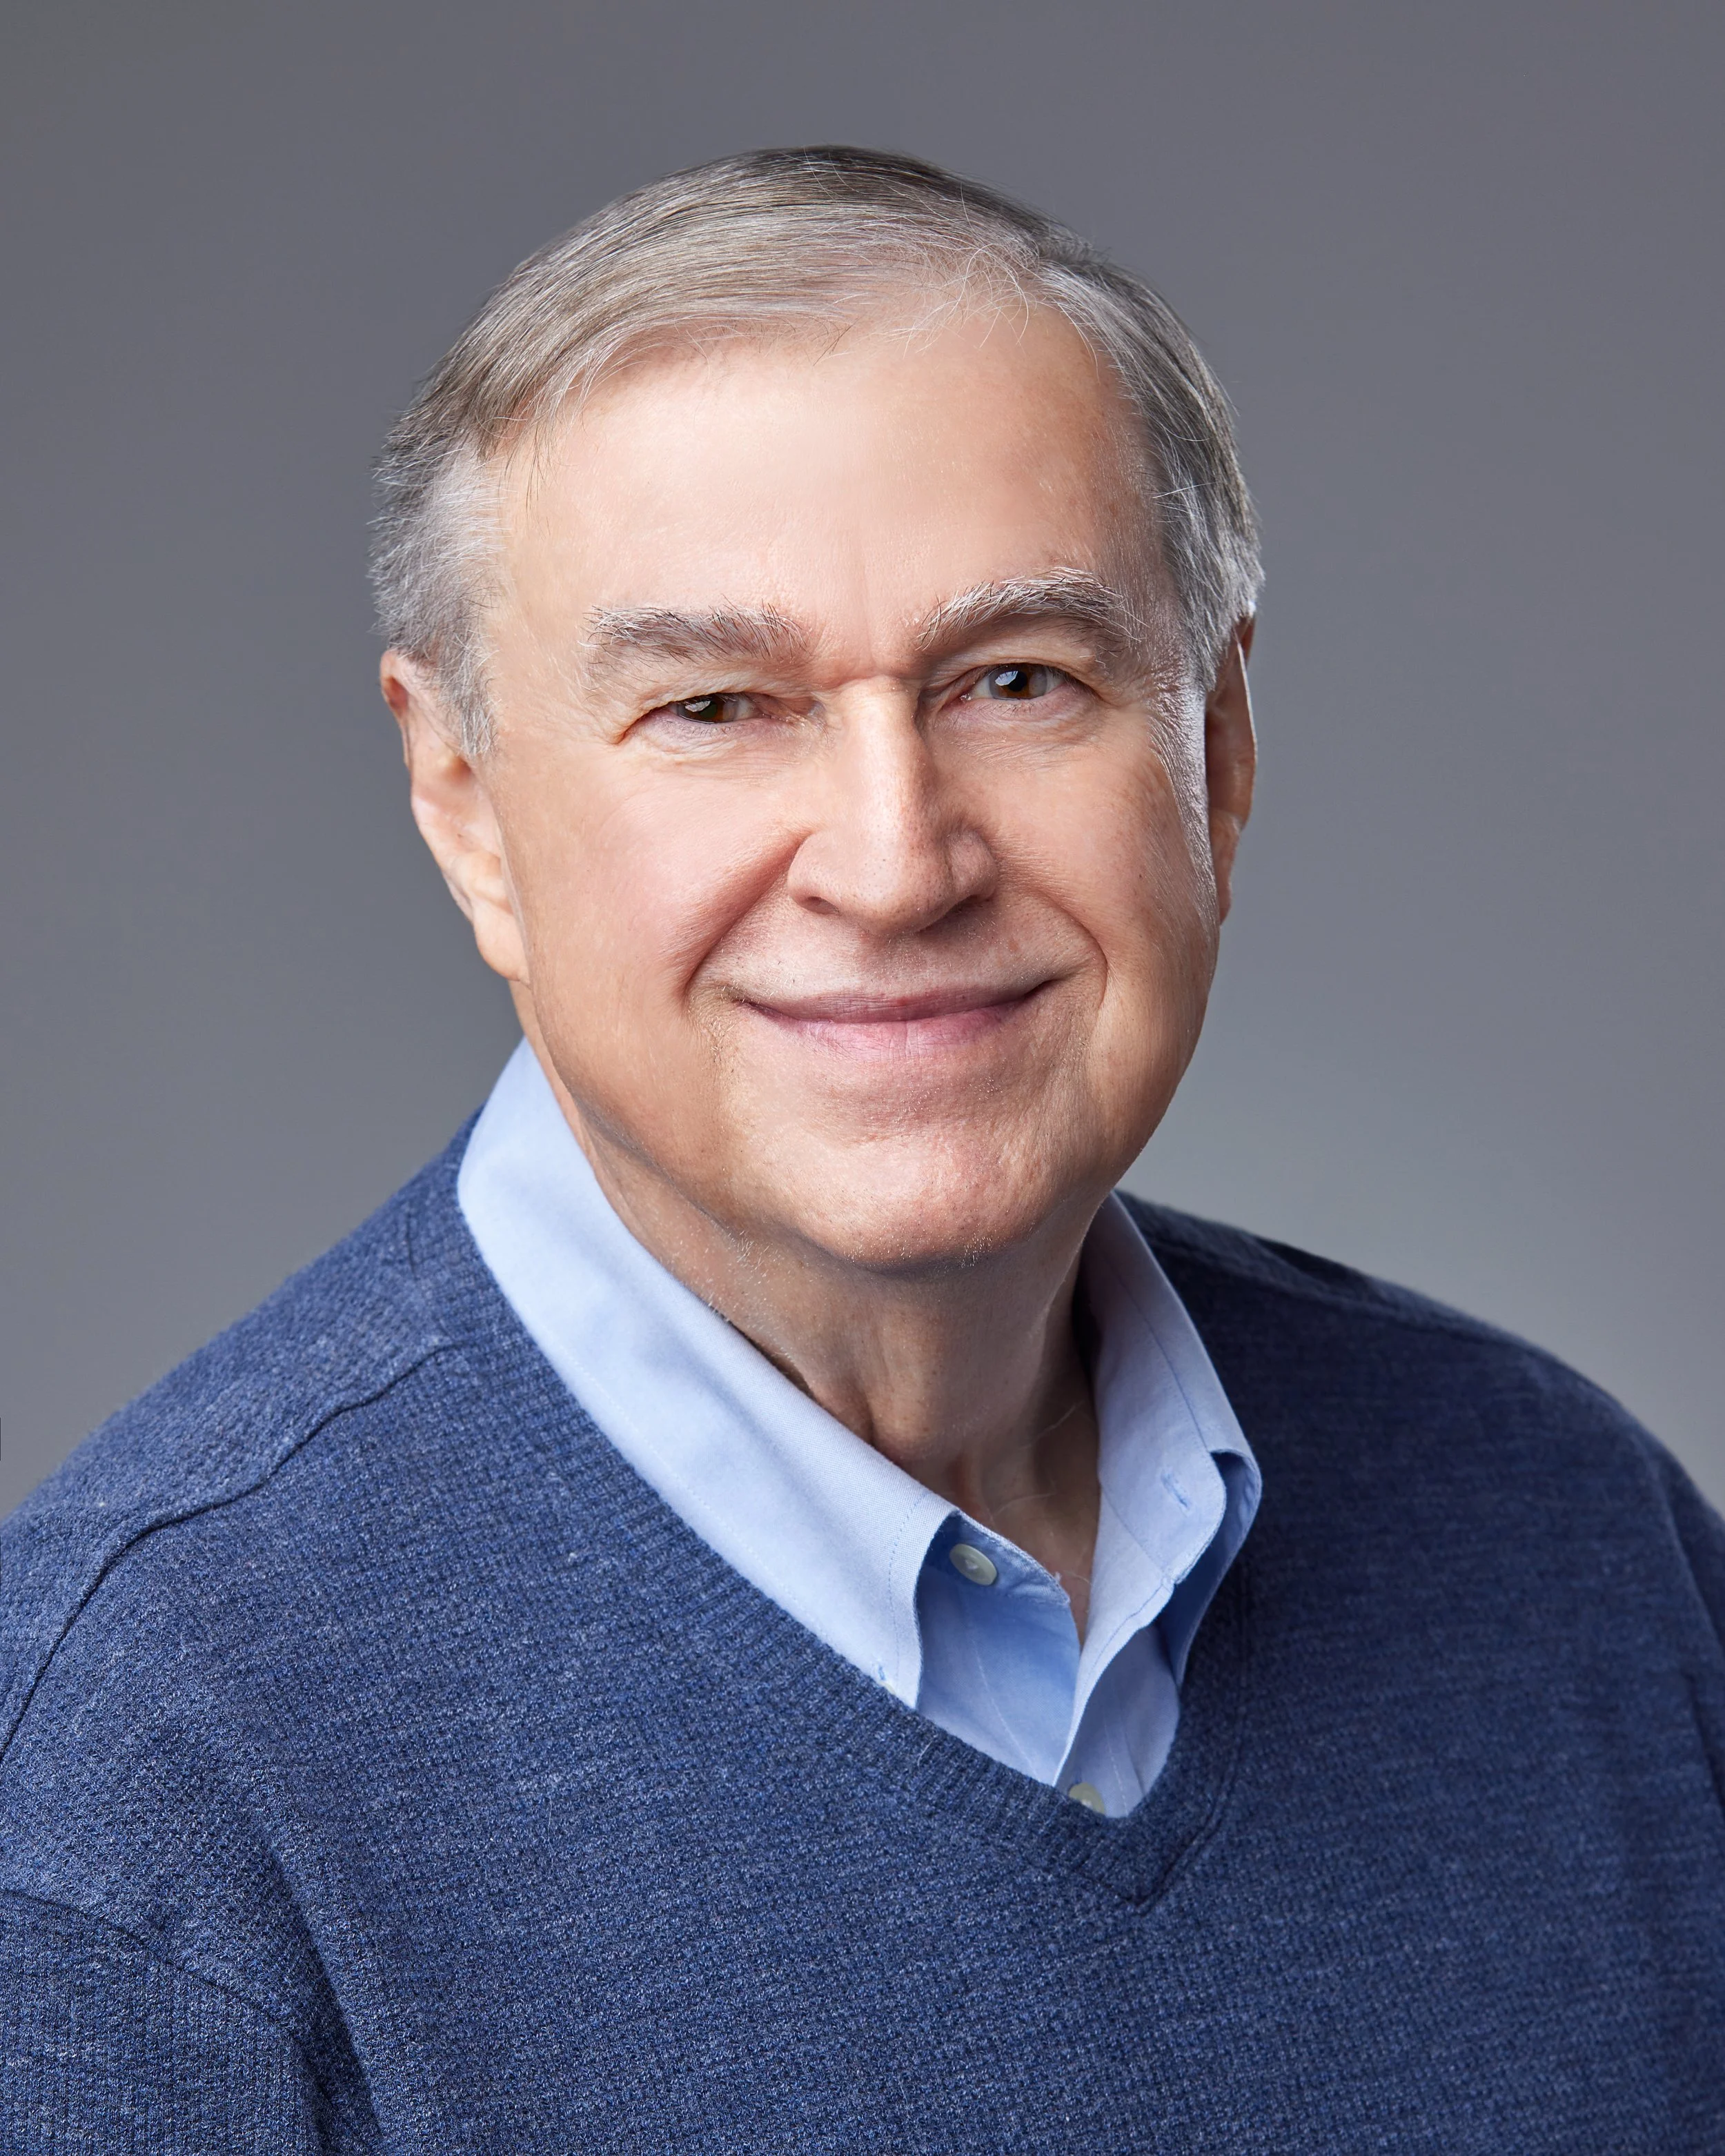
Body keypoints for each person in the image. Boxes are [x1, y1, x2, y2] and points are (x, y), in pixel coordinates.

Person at [1, 146, 1720, 2153]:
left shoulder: (1574, 1540)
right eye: (718, 706)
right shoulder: (129, 1781)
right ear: (464, 802)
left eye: (1017, 680)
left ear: (1217, 748)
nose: (898, 865)